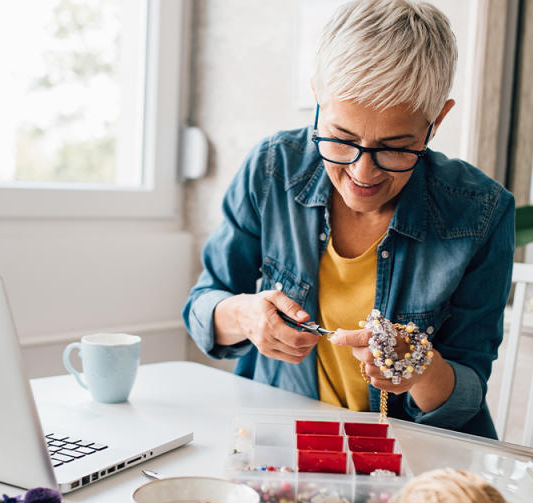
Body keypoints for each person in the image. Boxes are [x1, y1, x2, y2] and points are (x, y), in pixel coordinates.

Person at [182, 0, 514, 438]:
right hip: (283, 436)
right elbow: (203, 304)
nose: (362, 173)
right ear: (317, 98)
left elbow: (466, 393)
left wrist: (419, 368)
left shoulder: (481, 210)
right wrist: (245, 315)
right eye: (341, 138)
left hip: (413, 453)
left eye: (396, 147)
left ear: (436, 122)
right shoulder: (273, 167)